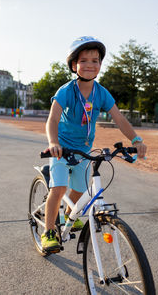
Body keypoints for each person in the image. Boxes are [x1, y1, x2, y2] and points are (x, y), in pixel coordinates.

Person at [41, 36, 147, 253]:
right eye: (84, 60)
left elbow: (119, 118)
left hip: (84, 150)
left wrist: (136, 139)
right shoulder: (66, 91)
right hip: (62, 149)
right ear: (74, 65)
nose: (90, 65)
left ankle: (69, 215)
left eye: (95, 60)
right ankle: (49, 231)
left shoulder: (101, 93)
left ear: (100, 65)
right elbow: (52, 120)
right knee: (59, 188)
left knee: (80, 189)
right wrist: (53, 143)